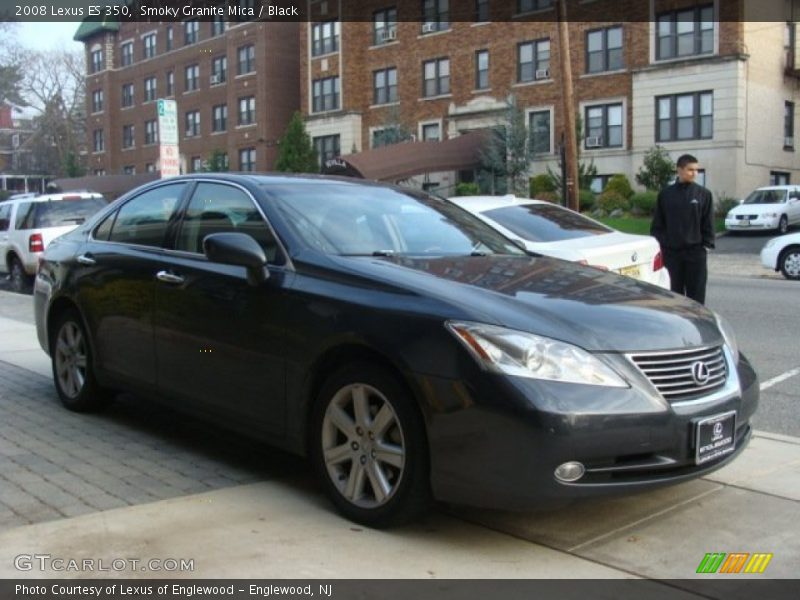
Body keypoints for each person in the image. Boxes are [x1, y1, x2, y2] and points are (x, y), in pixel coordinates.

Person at [650, 154, 715, 304]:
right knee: (673, 297)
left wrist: (705, 246)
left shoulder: (704, 194)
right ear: (679, 170)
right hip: (672, 255)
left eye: (696, 170)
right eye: (690, 170)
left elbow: (708, 224)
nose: (694, 173)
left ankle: (696, 319)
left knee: (696, 298)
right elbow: (657, 226)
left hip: (695, 254)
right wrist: (665, 245)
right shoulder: (665, 195)